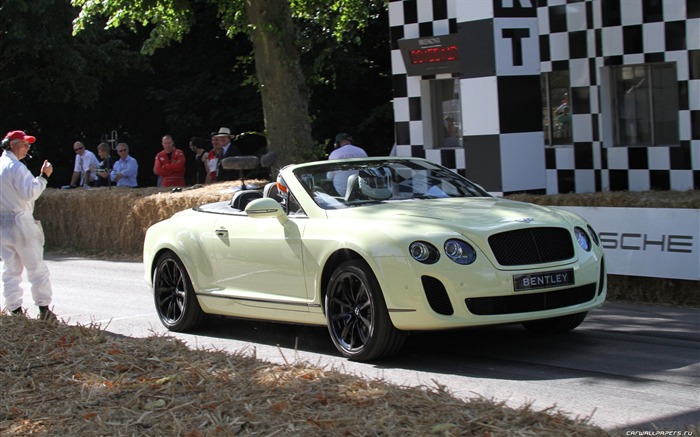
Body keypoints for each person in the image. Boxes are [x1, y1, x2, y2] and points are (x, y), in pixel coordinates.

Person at [0, 130, 56, 320]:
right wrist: (43, 177)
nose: (27, 148)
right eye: (24, 144)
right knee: (36, 267)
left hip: (2, 222)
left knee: (10, 269)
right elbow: (30, 193)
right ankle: (44, 309)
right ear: (13, 145)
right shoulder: (16, 168)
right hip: (20, 220)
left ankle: (15, 310)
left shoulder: (2, 165)